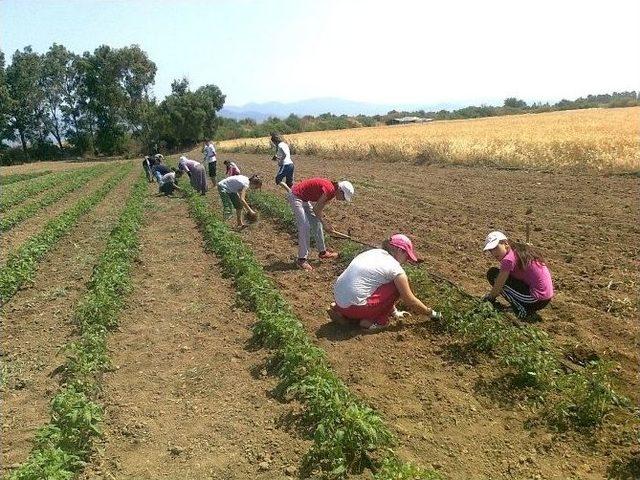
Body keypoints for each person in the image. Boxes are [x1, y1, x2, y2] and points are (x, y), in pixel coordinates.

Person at [328, 234, 442, 331]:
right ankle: (374, 322)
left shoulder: (373, 252)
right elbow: (409, 300)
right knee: (397, 286)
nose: (406, 261)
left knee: (379, 284)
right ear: (399, 250)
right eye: (406, 256)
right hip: (356, 308)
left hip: (339, 300)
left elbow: (377, 288)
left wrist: (394, 311)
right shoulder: (395, 268)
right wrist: (431, 313)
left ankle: (340, 312)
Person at [285, 177, 354, 271]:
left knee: (317, 223)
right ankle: (301, 260)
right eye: (344, 197)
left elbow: (318, 210)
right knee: (305, 226)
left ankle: (323, 252)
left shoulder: (332, 192)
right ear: (340, 191)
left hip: (304, 199)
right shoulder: (330, 190)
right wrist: (325, 224)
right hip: (296, 196)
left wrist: (326, 223)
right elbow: (316, 209)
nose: (343, 200)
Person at [482, 231, 554, 318]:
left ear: (505, 243)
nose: (493, 252)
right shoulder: (517, 251)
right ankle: (525, 306)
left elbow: (499, 284)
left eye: (495, 247)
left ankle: (521, 309)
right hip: (545, 297)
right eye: (491, 250)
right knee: (497, 274)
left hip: (536, 299)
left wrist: (490, 298)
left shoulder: (508, 259)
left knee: (493, 275)